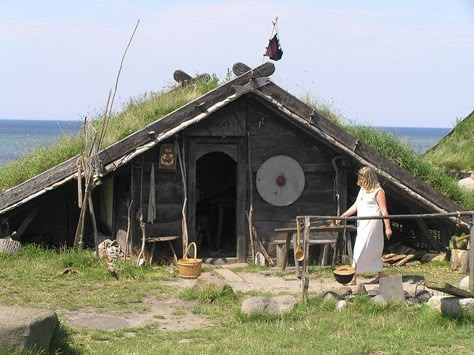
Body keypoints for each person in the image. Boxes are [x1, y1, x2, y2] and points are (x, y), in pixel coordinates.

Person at [337, 166, 392, 285]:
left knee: (361, 248)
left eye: (362, 176)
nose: (360, 178)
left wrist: (388, 227)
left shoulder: (378, 191)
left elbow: (384, 211)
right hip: (362, 224)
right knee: (368, 249)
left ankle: (353, 277)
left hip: (373, 224)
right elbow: (356, 206)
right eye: (360, 176)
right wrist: (344, 216)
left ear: (368, 177)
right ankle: (381, 275)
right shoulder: (362, 190)